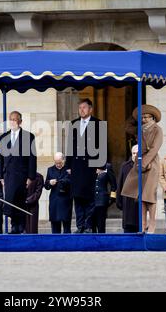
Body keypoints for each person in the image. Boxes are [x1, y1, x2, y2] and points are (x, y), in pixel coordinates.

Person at [65, 98, 106, 233]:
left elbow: (103, 146)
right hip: (76, 165)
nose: (81, 110)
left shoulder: (98, 124)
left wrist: (101, 165)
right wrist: (68, 165)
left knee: (89, 197)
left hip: (91, 165)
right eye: (80, 107)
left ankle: (88, 226)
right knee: (77, 196)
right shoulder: (73, 124)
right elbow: (69, 146)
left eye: (84, 107)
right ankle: (80, 225)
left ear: (90, 109)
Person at [121, 104, 163, 233]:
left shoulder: (157, 129)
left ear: (153, 118)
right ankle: (143, 224)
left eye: (147, 117)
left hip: (151, 163)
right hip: (140, 162)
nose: (144, 119)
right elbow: (127, 128)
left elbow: (155, 148)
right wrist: (134, 116)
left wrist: (144, 163)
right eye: (142, 117)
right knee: (139, 195)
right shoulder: (139, 129)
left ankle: (152, 224)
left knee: (149, 195)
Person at [0, 111, 37, 234]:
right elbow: (1, 158)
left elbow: (32, 157)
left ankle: (21, 226)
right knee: (10, 201)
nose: (12, 122)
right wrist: (1, 176)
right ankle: (14, 226)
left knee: (20, 201)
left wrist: (30, 176)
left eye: (14, 119)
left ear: (20, 121)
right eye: (10, 119)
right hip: (8, 175)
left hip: (22, 175)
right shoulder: (4, 137)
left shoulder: (28, 136)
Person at [44, 152, 73, 234]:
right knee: (55, 228)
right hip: (54, 202)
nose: (58, 165)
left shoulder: (68, 169)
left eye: (59, 163)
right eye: (56, 163)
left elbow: (72, 182)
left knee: (67, 228)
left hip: (65, 201)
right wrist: (50, 182)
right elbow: (46, 185)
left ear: (63, 160)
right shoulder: (50, 169)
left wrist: (63, 181)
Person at [91, 163, 117, 233]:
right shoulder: (90, 164)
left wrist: (112, 198)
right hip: (91, 200)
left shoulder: (107, 166)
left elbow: (113, 184)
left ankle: (101, 241)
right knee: (92, 223)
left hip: (102, 200)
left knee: (100, 224)